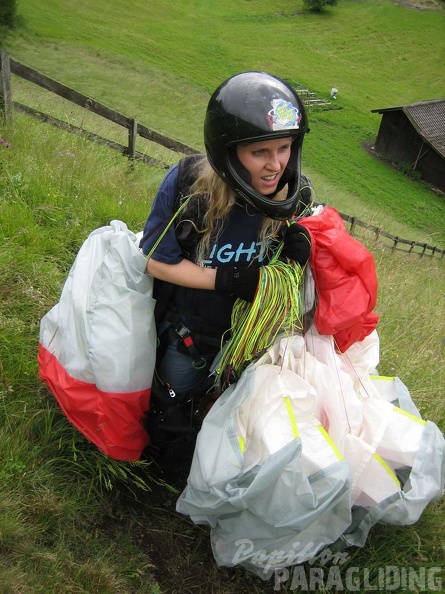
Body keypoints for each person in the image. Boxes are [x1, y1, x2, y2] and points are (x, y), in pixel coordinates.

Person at [140, 71, 313, 431]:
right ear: (228, 151)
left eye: (284, 148)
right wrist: (228, 279)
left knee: (231, 414)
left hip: (252, 337)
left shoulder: (294, 194)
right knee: (173, 408)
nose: (276, 164)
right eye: (259, 152)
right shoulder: (189, 186)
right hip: (192, 335)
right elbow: (157, 262)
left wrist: (296, 255)